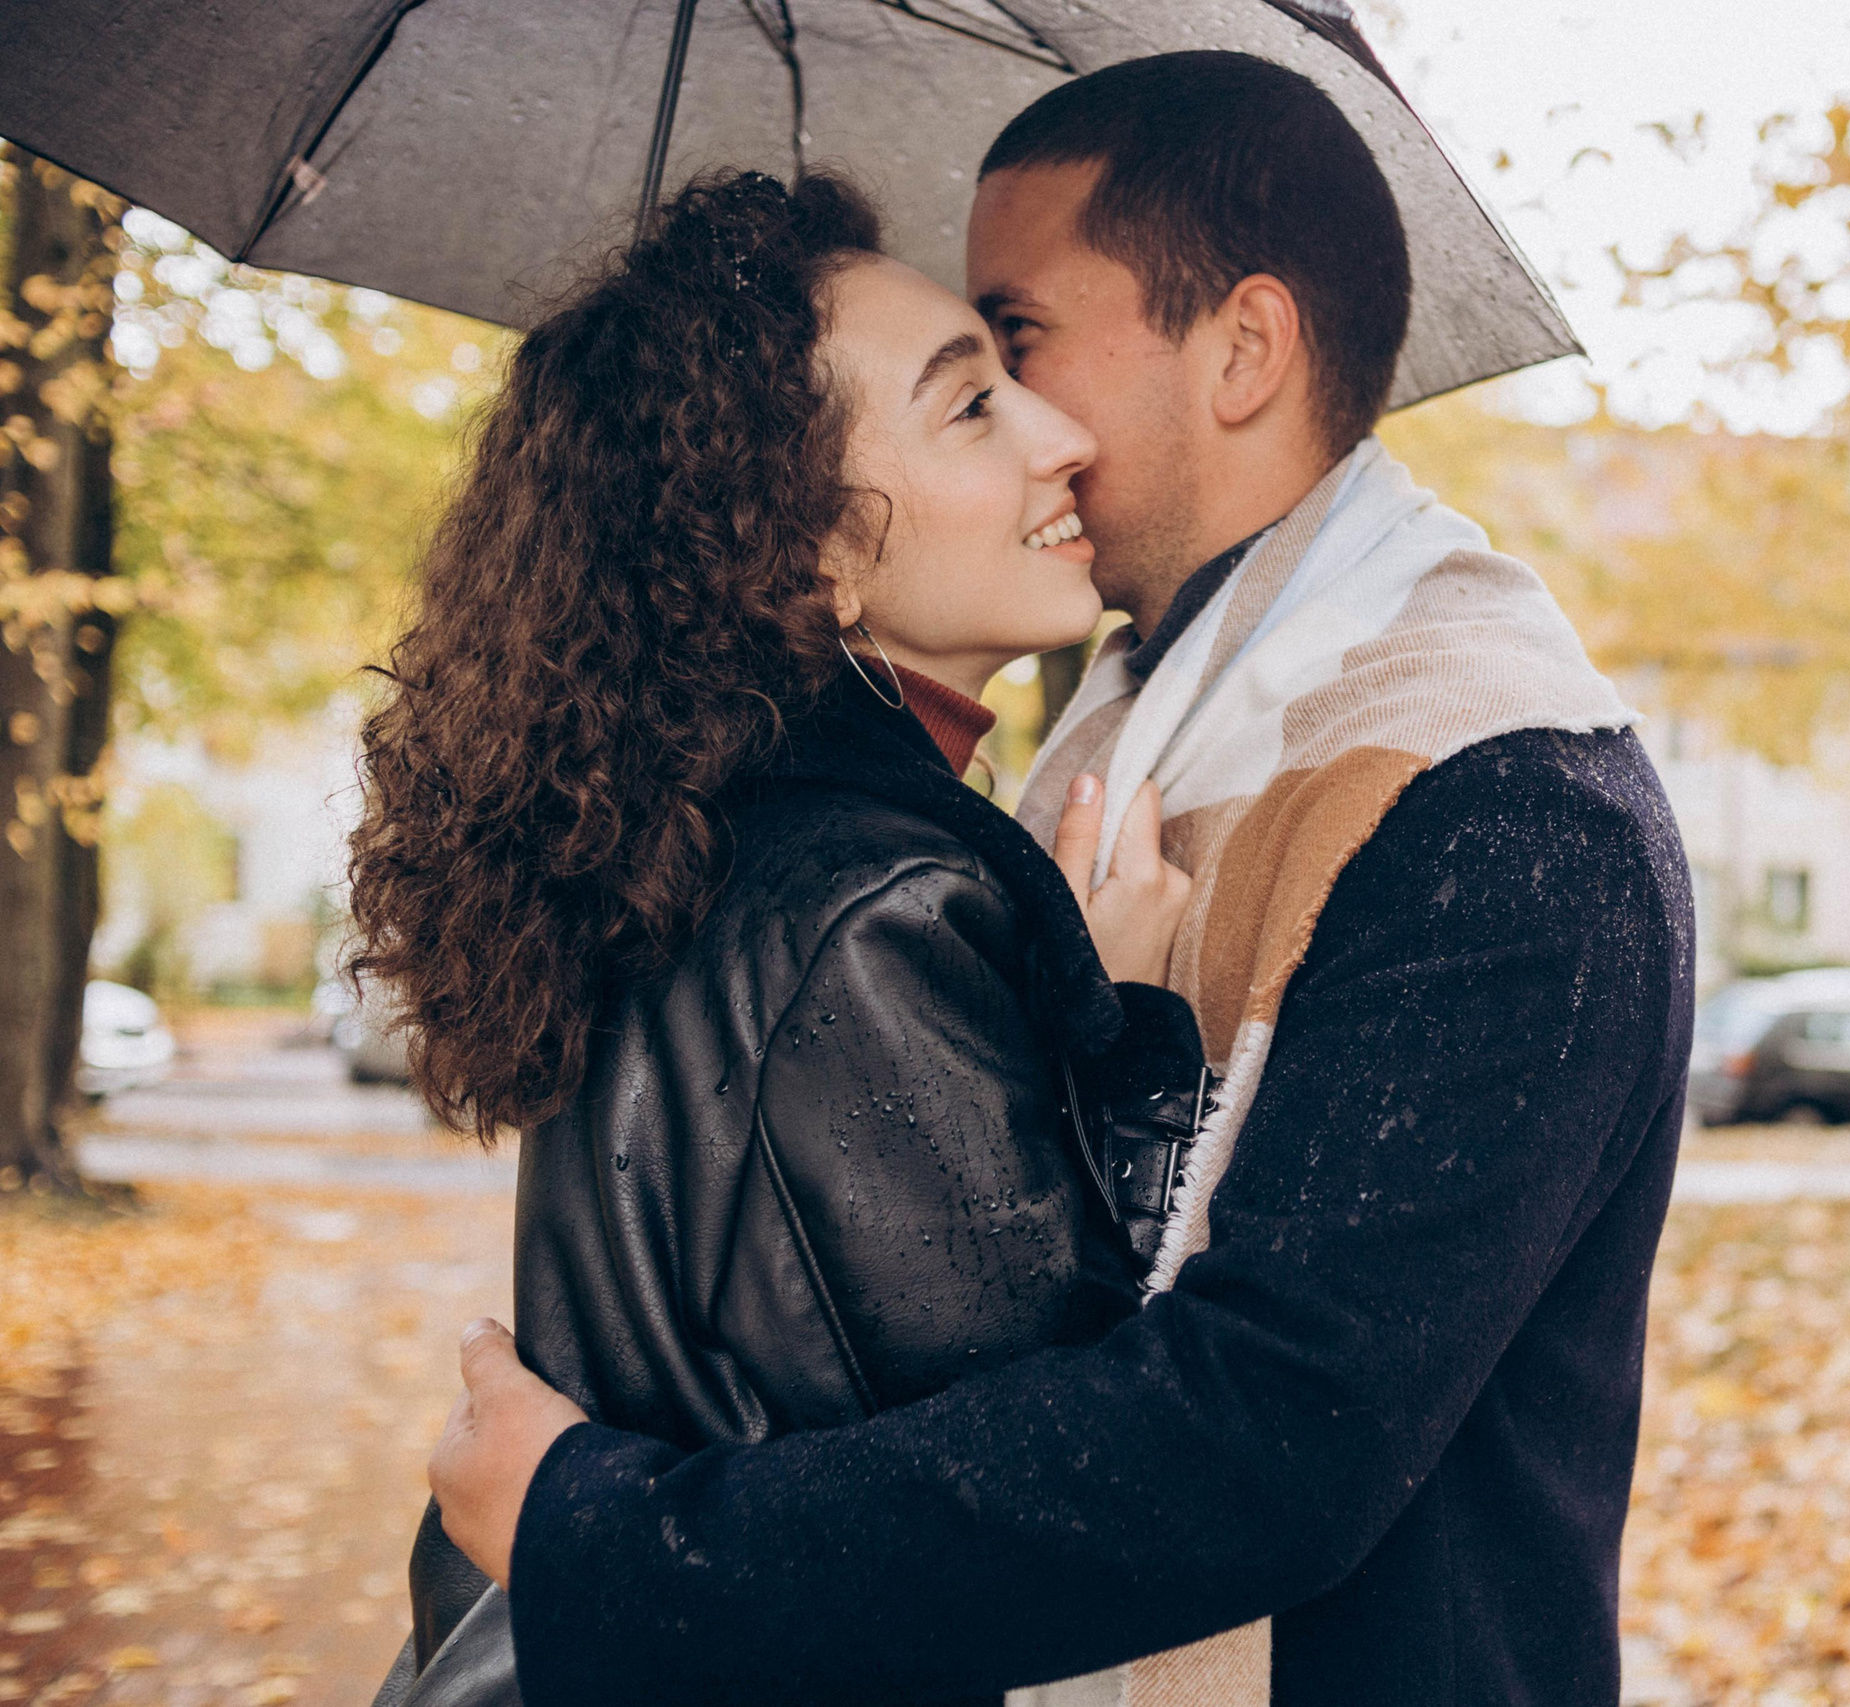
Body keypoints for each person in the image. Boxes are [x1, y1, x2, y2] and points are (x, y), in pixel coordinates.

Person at [428, 51, 1697, 1707]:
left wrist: (606, 1539)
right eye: (973, 385)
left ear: (1242, 349)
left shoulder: (1499, 796)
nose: (1030, 419)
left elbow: (1264, 1440)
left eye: (1014, 335)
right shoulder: (1050, 763)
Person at [349, 168, 1208, 1707]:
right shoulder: (873, 906)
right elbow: (1063, 1483)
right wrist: (1131, 1027)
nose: (1061, 435)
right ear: (809, 552)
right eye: (972, 407)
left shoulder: (682, 842)